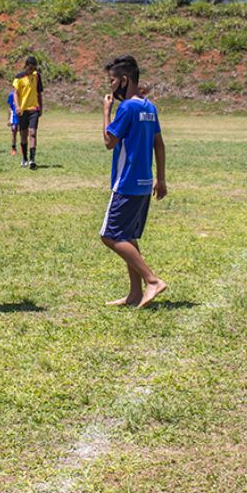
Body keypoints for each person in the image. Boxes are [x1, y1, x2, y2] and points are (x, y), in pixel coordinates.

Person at [100, 55, 168, 309]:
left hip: (126, 182)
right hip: (144, 182)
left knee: (110, 235)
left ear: (125, 80)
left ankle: (152, 281)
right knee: (128, 235)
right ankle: (135, 294)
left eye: (112, 80)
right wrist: (161, 179)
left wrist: (106, 112)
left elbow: (109, 142)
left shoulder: (127, 108)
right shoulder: (150, 107)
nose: (111, 86)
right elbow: (159, 145)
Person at [12, 55, 44, 170]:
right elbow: (15, 93)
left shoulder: (36, 76)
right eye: (30, 68)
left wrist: (41, 107)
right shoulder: (19, 77)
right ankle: (24, 158)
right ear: (26, 66)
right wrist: (17, 106)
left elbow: (39, 93)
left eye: (34, 68)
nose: (32, 70)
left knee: (32, 132)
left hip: (33, 109)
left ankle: (32, 159)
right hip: (22, 110)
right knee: (23, 135)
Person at [7, 90, 19, 156]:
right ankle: (14, 148)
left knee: (24, 132)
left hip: (22, 116)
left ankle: (23, 148)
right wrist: (9, 119)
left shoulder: (23, 93)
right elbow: (9, 107)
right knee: (14, 132)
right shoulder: (11, 95)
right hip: (14, 117)